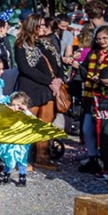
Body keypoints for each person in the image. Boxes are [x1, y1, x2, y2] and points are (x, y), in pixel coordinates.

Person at [13, 14, 65, 171]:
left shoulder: (48, 43)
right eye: (39, 25)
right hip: (31, 89)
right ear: (32, 26)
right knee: (27, 124)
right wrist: (49, 81)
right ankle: (21, 159)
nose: (43, 28)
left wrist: (59, 79)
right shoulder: (22, 45)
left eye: (44, 25)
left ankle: (42, 157)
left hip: (48, 90)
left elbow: (59, 63)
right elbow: (26, 68)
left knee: (45, 125)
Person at [76, 25, 108, 174]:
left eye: (105, 38)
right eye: (99, 38)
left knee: (106, 133)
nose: (102, 41)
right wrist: (79, 67)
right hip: (91, 96)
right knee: (87, 129)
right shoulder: (93, 53)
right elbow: (84, 72)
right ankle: (93, 159)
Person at [0, 92, 32, 186]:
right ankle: (6, 175)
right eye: (13, 105)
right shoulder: (9, 114)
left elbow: (34, 120)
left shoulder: (26, 115)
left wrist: (26, 110)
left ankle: (22, 177)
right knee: (8, 157)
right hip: (10, 141)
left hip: (22, 142)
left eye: (19, 105)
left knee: (22, 159)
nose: (16, 108)